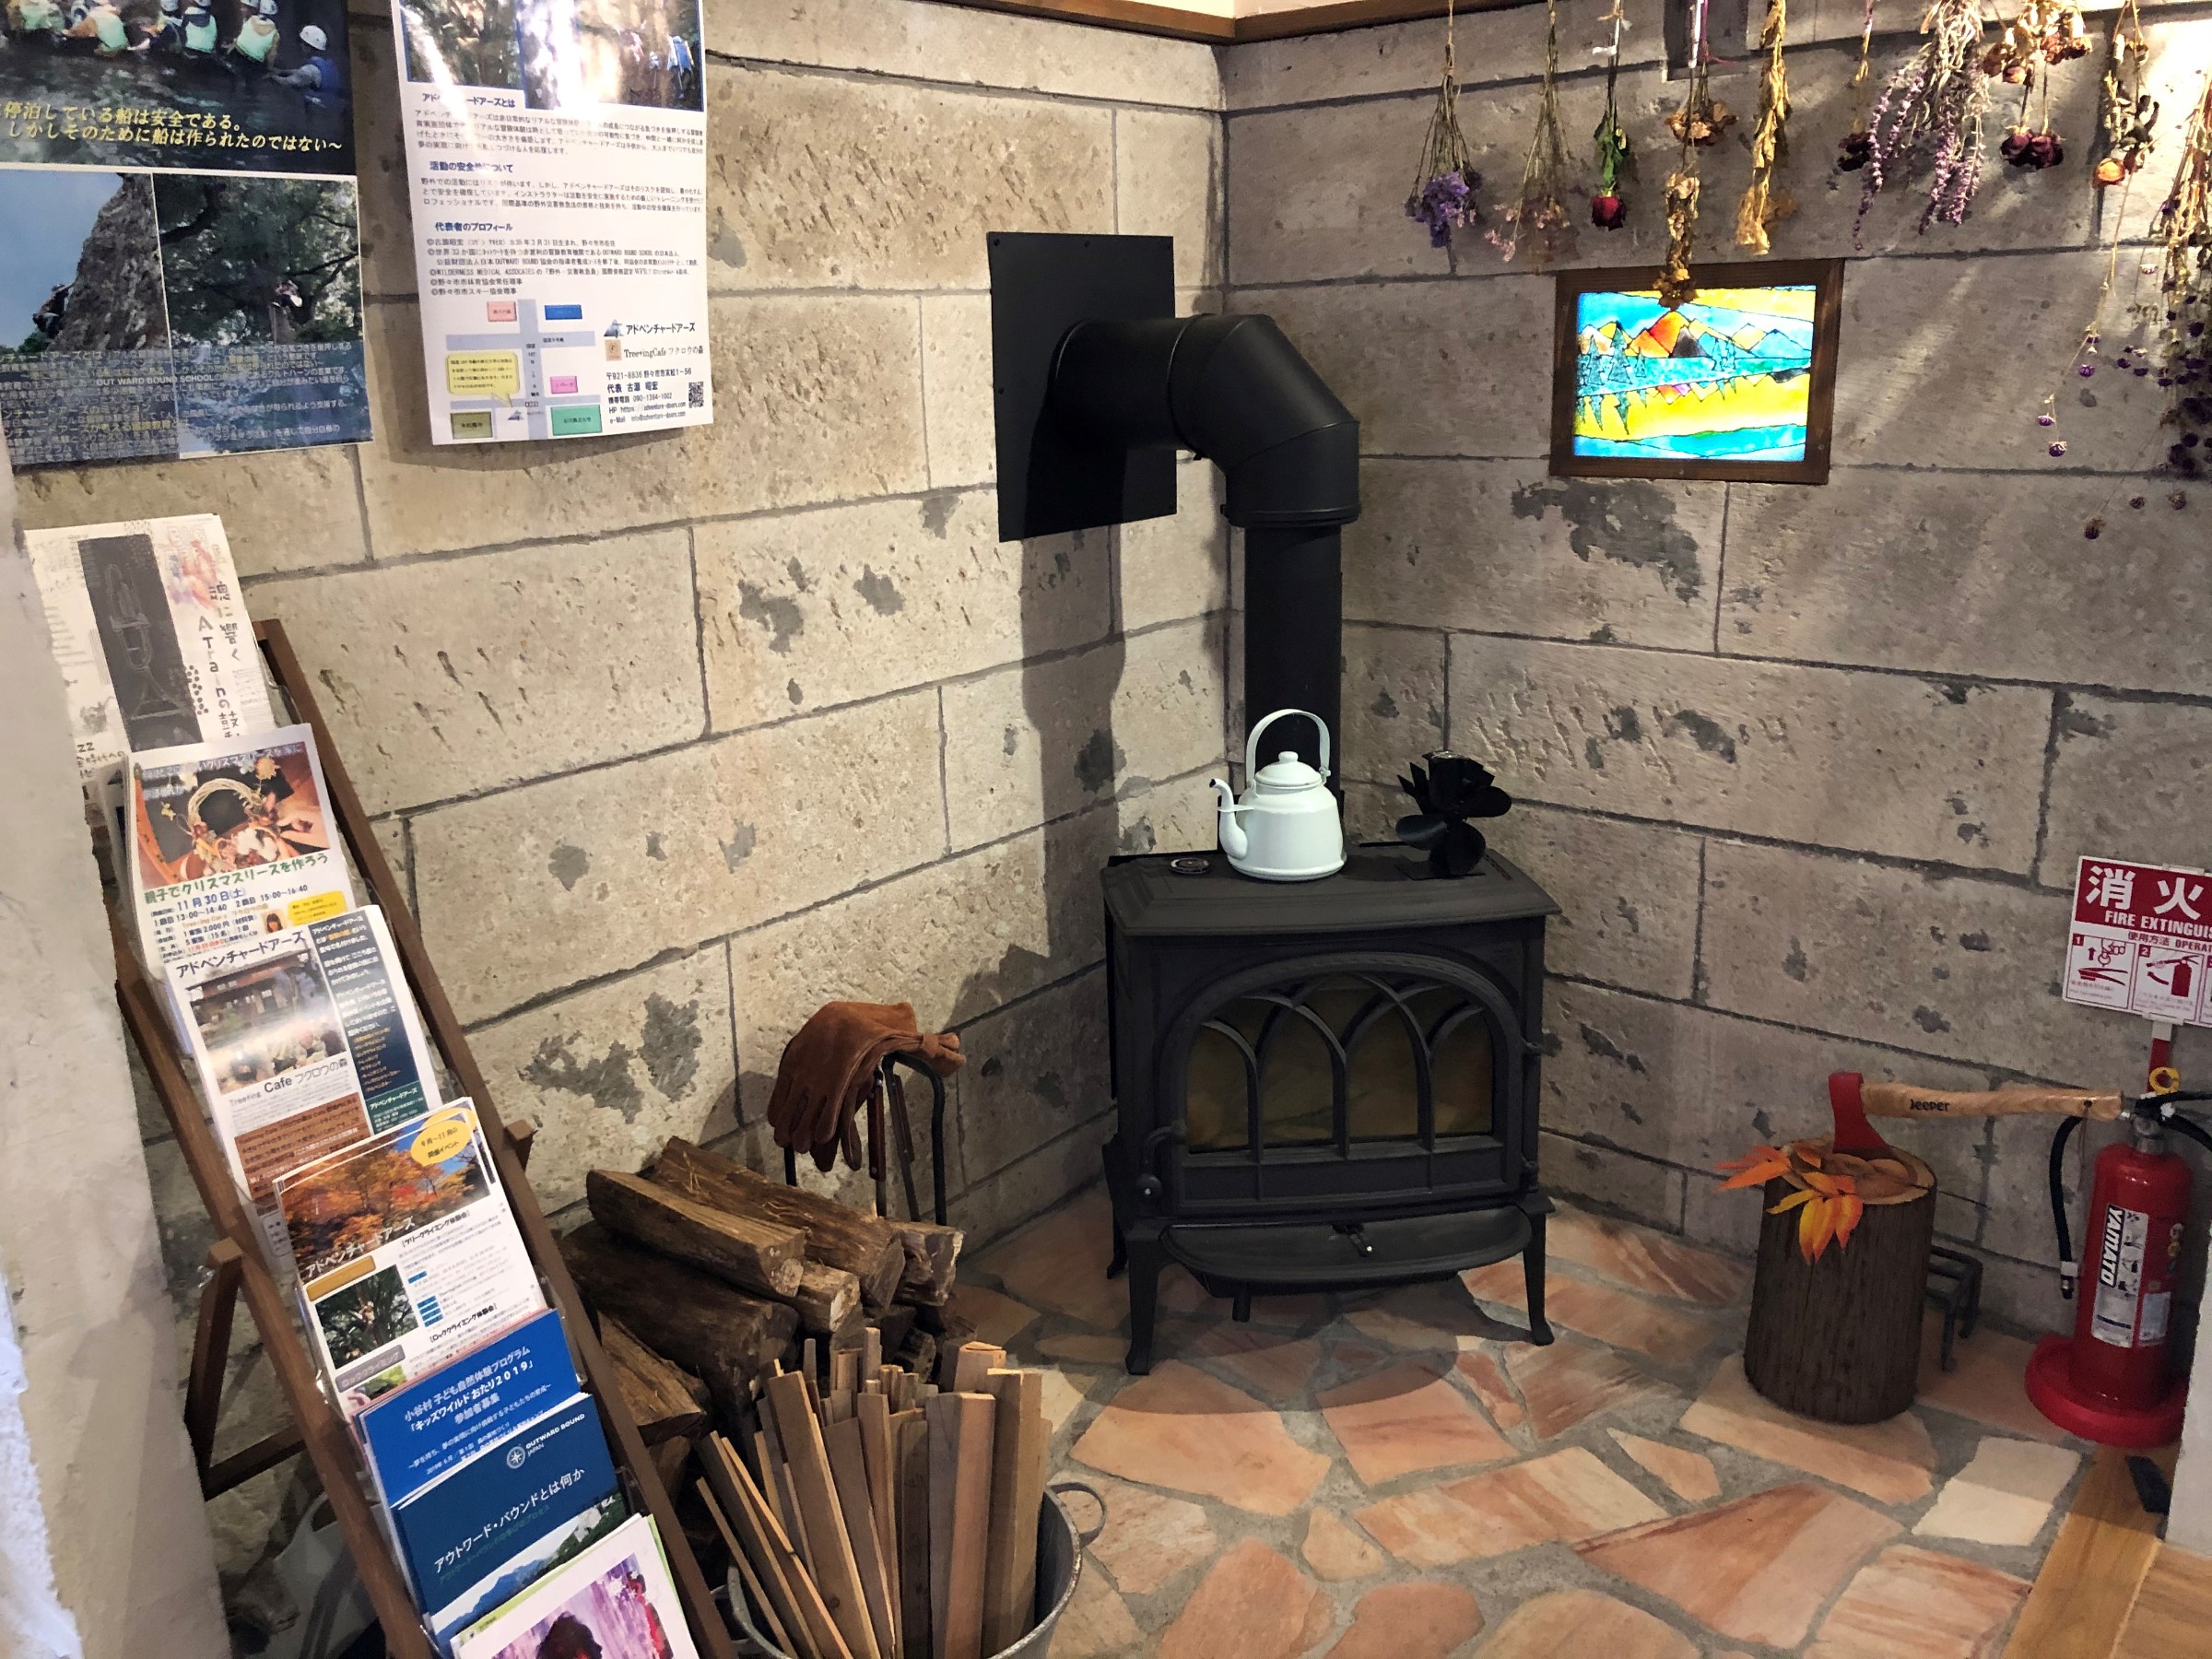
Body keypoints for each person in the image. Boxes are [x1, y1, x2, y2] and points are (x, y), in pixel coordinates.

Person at [272, 20, 344, 105]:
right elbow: (303, 73)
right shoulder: (326, 63)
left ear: (308, 47)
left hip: (322, 105)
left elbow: (287, 82)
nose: (300, 45)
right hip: (333, 100)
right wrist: (282, 71)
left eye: (302, 43)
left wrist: (273, 77)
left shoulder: (308, 71)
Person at [229, 0, 277, 65]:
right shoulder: (275, 33)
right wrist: (269, 67)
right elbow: (271, 55)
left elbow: (241, 38)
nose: (241, 9)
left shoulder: (251, 19)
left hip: (237, 53)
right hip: (254, 61)